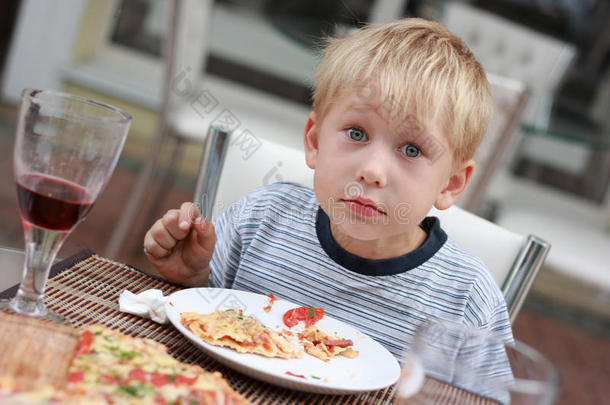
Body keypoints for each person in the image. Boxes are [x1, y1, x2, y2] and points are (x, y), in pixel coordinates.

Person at [144, 17, 513, 395]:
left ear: (451, 183)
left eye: (412, 149)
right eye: (357, 133)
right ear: (315, 141)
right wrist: (192, 279)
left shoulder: (467, 300)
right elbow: (201, 325)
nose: (372, 171)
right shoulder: (261, 220)